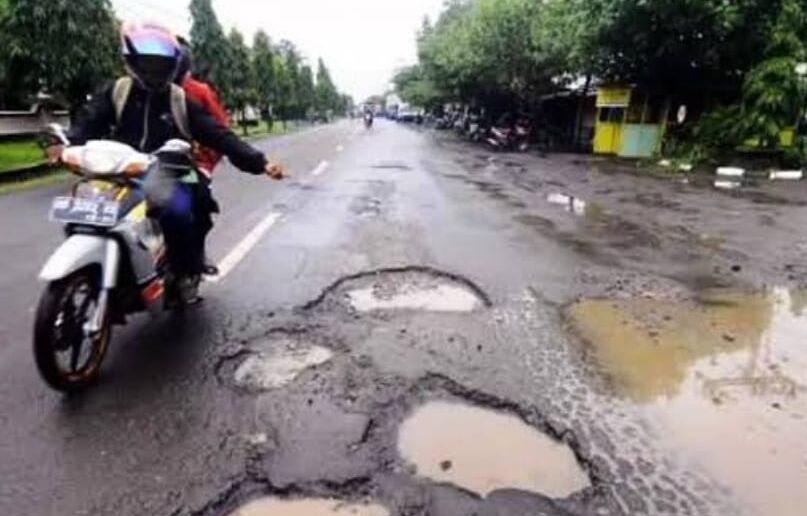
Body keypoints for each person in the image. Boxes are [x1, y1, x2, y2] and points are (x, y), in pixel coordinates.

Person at [47, 22, 283, 303]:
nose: (152, 70)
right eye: (146, 63)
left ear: (172, 66)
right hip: (119, 171)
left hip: (168, 172)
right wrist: (67, 144)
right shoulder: (117, 92)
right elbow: (89, 121)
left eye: (160, 65)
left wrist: (260, 162)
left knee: (179, 211)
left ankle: (183, 272)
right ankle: (104, 270)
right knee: (86, 206)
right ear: (131, 61)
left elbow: (218, 134)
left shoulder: (179, 99)